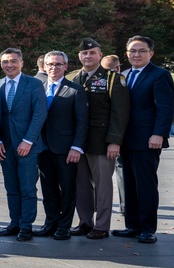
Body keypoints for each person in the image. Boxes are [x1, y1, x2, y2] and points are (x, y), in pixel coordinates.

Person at [114, 35, 174, 244]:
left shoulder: (160, 75)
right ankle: (131, 225)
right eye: (132, 51)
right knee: (127, 185)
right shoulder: (123, 75)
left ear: (151, 53)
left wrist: (159, 133)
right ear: (127, 53)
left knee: (145, 185)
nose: (136, 55)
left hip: (147, 140)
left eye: (141, 51)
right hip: (124, 140)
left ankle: (148, 229)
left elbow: (165, 108)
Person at [72, 39, 129, 239]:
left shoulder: (113, 78)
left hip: (102, 142)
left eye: (92, 53)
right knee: (81, 185)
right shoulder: (73, 78)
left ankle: (102, 226)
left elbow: (119, 113)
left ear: (100, 55)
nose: (88, 56)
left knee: (103, 185)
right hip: (78, 143)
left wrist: (115, 141)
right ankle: (85, 222)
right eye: (84, 53)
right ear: (79, 56)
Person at [0, 47, 47, 242]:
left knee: (27, 187)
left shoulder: (33, 84)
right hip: (4, 146)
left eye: (13, 61)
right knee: (11, 187)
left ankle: (26, 226)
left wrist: (28, 141)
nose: (9, 65)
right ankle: (14, 223)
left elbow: (40, 114)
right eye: (5, 62)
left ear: (22, 63)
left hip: (28, 145)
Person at [36, 50, 88, 240]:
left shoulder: (75, 90)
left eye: (58, 64)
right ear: (44, 66)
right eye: (50, 64)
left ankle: (64, 226)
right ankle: (50, 223)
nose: (54, 68)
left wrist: (77, 147)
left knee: (67, 189)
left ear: (66, 67)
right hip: (42, 147)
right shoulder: (38, 87)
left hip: (66, 149)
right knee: (48, 189)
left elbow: (82, 122)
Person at [100, 54, 127, 213]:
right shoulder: (117, 79)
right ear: (117, 68)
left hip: (107, 136)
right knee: (120, 170)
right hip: (113, 135)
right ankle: (124, 206)